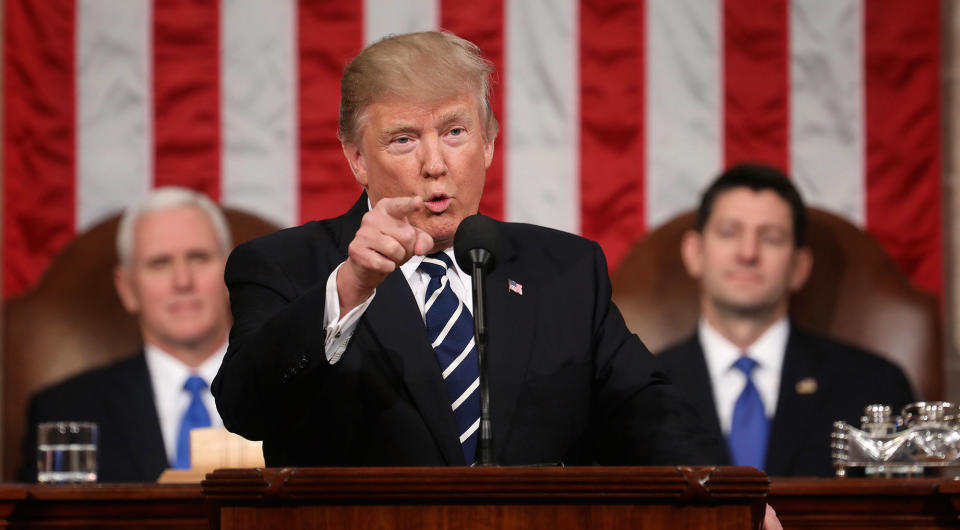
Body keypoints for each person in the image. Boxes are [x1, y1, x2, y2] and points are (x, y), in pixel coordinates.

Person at [212, 31, 723, 468]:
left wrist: (731, 500)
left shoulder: (565, 270)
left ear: (489, 143)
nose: (435, 163)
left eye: (455, 132)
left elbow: (648, 410)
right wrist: (349, 288)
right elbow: (245, 409)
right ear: (357, 159)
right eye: (403, 140)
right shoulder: (286, 267)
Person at [657, 163, 915, 477]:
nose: (748, 253)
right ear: (694, 252)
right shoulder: (640, 393)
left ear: (799, 266)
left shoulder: (874, 388)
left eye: (771, 238)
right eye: (729, 233)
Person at [22, 187, 233, 482]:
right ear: (127, 288)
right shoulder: (66, 410)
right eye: (159, 263)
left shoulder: (298, 397)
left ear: (232, 273)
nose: (183, 281)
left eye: (198, 258)